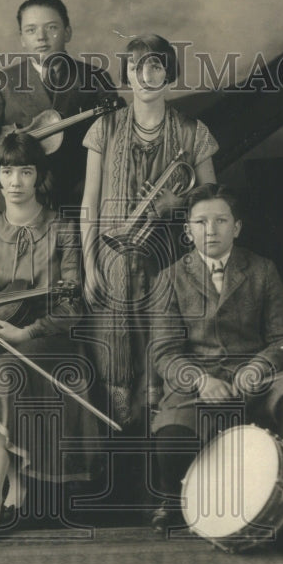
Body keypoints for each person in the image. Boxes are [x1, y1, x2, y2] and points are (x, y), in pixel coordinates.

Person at [0, 133, 97, 542]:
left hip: (49, 342)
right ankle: (19, 490)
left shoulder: (61, 229)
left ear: (39, 177)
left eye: (25, 171)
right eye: (7, 171)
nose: (15, 181)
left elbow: (72, 305)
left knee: (1, 378)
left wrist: (26, 331)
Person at [149, 183, 283, 550]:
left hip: (257, 376)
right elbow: (164, 353)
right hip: (200, 380)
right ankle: (174, 499)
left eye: (221, 221)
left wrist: (260, 365)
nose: (211, 230)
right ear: (187, 229)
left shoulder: (262, 269)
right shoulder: (169, 279)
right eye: (201, 222)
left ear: (237, 227)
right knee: (172, 439)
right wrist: (199, 381)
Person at [80, 33, 218, 428]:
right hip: (111, 268)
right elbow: (89, 203)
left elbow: (211, 201)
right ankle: (125, 463)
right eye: (136, 67)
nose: (145, 75)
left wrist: (177, 204)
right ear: (127, 74)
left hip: (172, 266)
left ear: (169, 74)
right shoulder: (104, 129)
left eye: (155, 65)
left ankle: (164, 453)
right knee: (116, 382)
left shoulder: (194, 131)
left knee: (166, 366)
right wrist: (89, 266)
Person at [0, 0, 119, 220]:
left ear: (68, 32)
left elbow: (118, 143)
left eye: (51, 28)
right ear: (22, 38)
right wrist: (20, 168)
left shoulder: (95, 78)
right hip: (10, 209)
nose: (41, 38)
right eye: (31, 30)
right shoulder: (2, 83)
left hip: (76, 205)